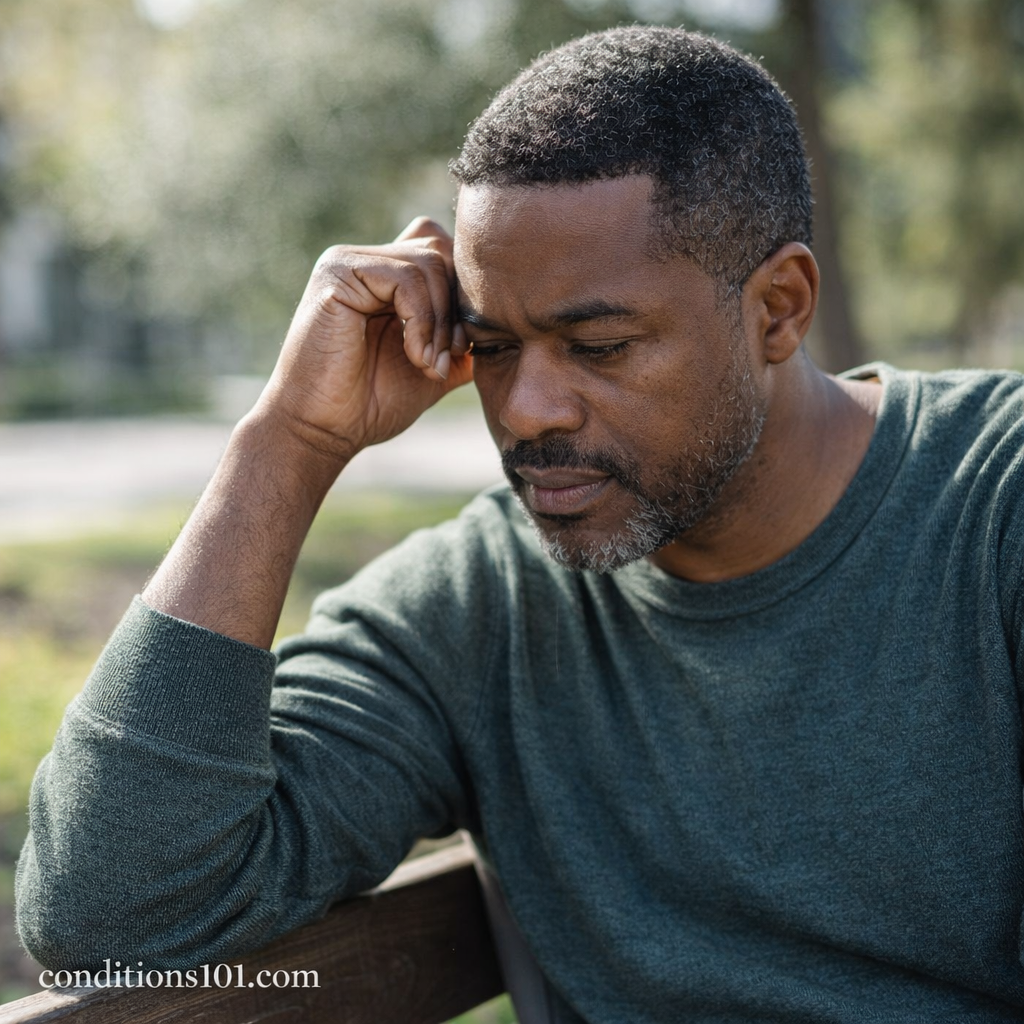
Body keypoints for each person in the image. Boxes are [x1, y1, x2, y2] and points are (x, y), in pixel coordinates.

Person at [15, 24, 1024, 1023]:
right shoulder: (475, 604)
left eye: (598, 344)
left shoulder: (993, 509)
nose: (527, 409)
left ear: (778, 308)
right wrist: (289, 439)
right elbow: (110, 915)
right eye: (491, 345)